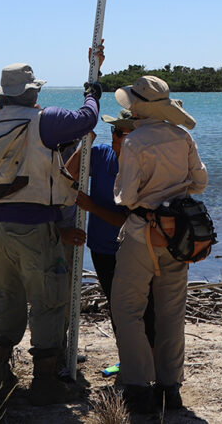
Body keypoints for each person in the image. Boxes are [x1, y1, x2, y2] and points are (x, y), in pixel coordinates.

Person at [0, 50, 104, 406]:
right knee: (48, 298)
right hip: (33, 225)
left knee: (6, 296)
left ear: (1, 93)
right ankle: (45, 381)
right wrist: (94, 91)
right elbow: (85, 120)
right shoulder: (43, 120)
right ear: (31, 93)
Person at [109, 75, 208, 413]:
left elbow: (126, 197)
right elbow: (201, 182)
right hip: (178, 235)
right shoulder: (183, 136)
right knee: (171, 312)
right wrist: (173, 193)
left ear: (138, 106)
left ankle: (137, 387)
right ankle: (170, 389)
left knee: (127, 310)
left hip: (141, 235)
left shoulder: (135, 142)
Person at [65, 110, 156, 360]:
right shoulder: (101, 154)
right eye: (113, 131)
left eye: (120, 132)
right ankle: (126, 358)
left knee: (140, 307)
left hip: (132, 248)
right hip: (101, 248)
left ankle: (147, 358)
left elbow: (128, 220)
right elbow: (69, 174)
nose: (114, 136)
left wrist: (92, 206)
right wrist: (86, 144)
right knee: (115, 307)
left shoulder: (141, 166)